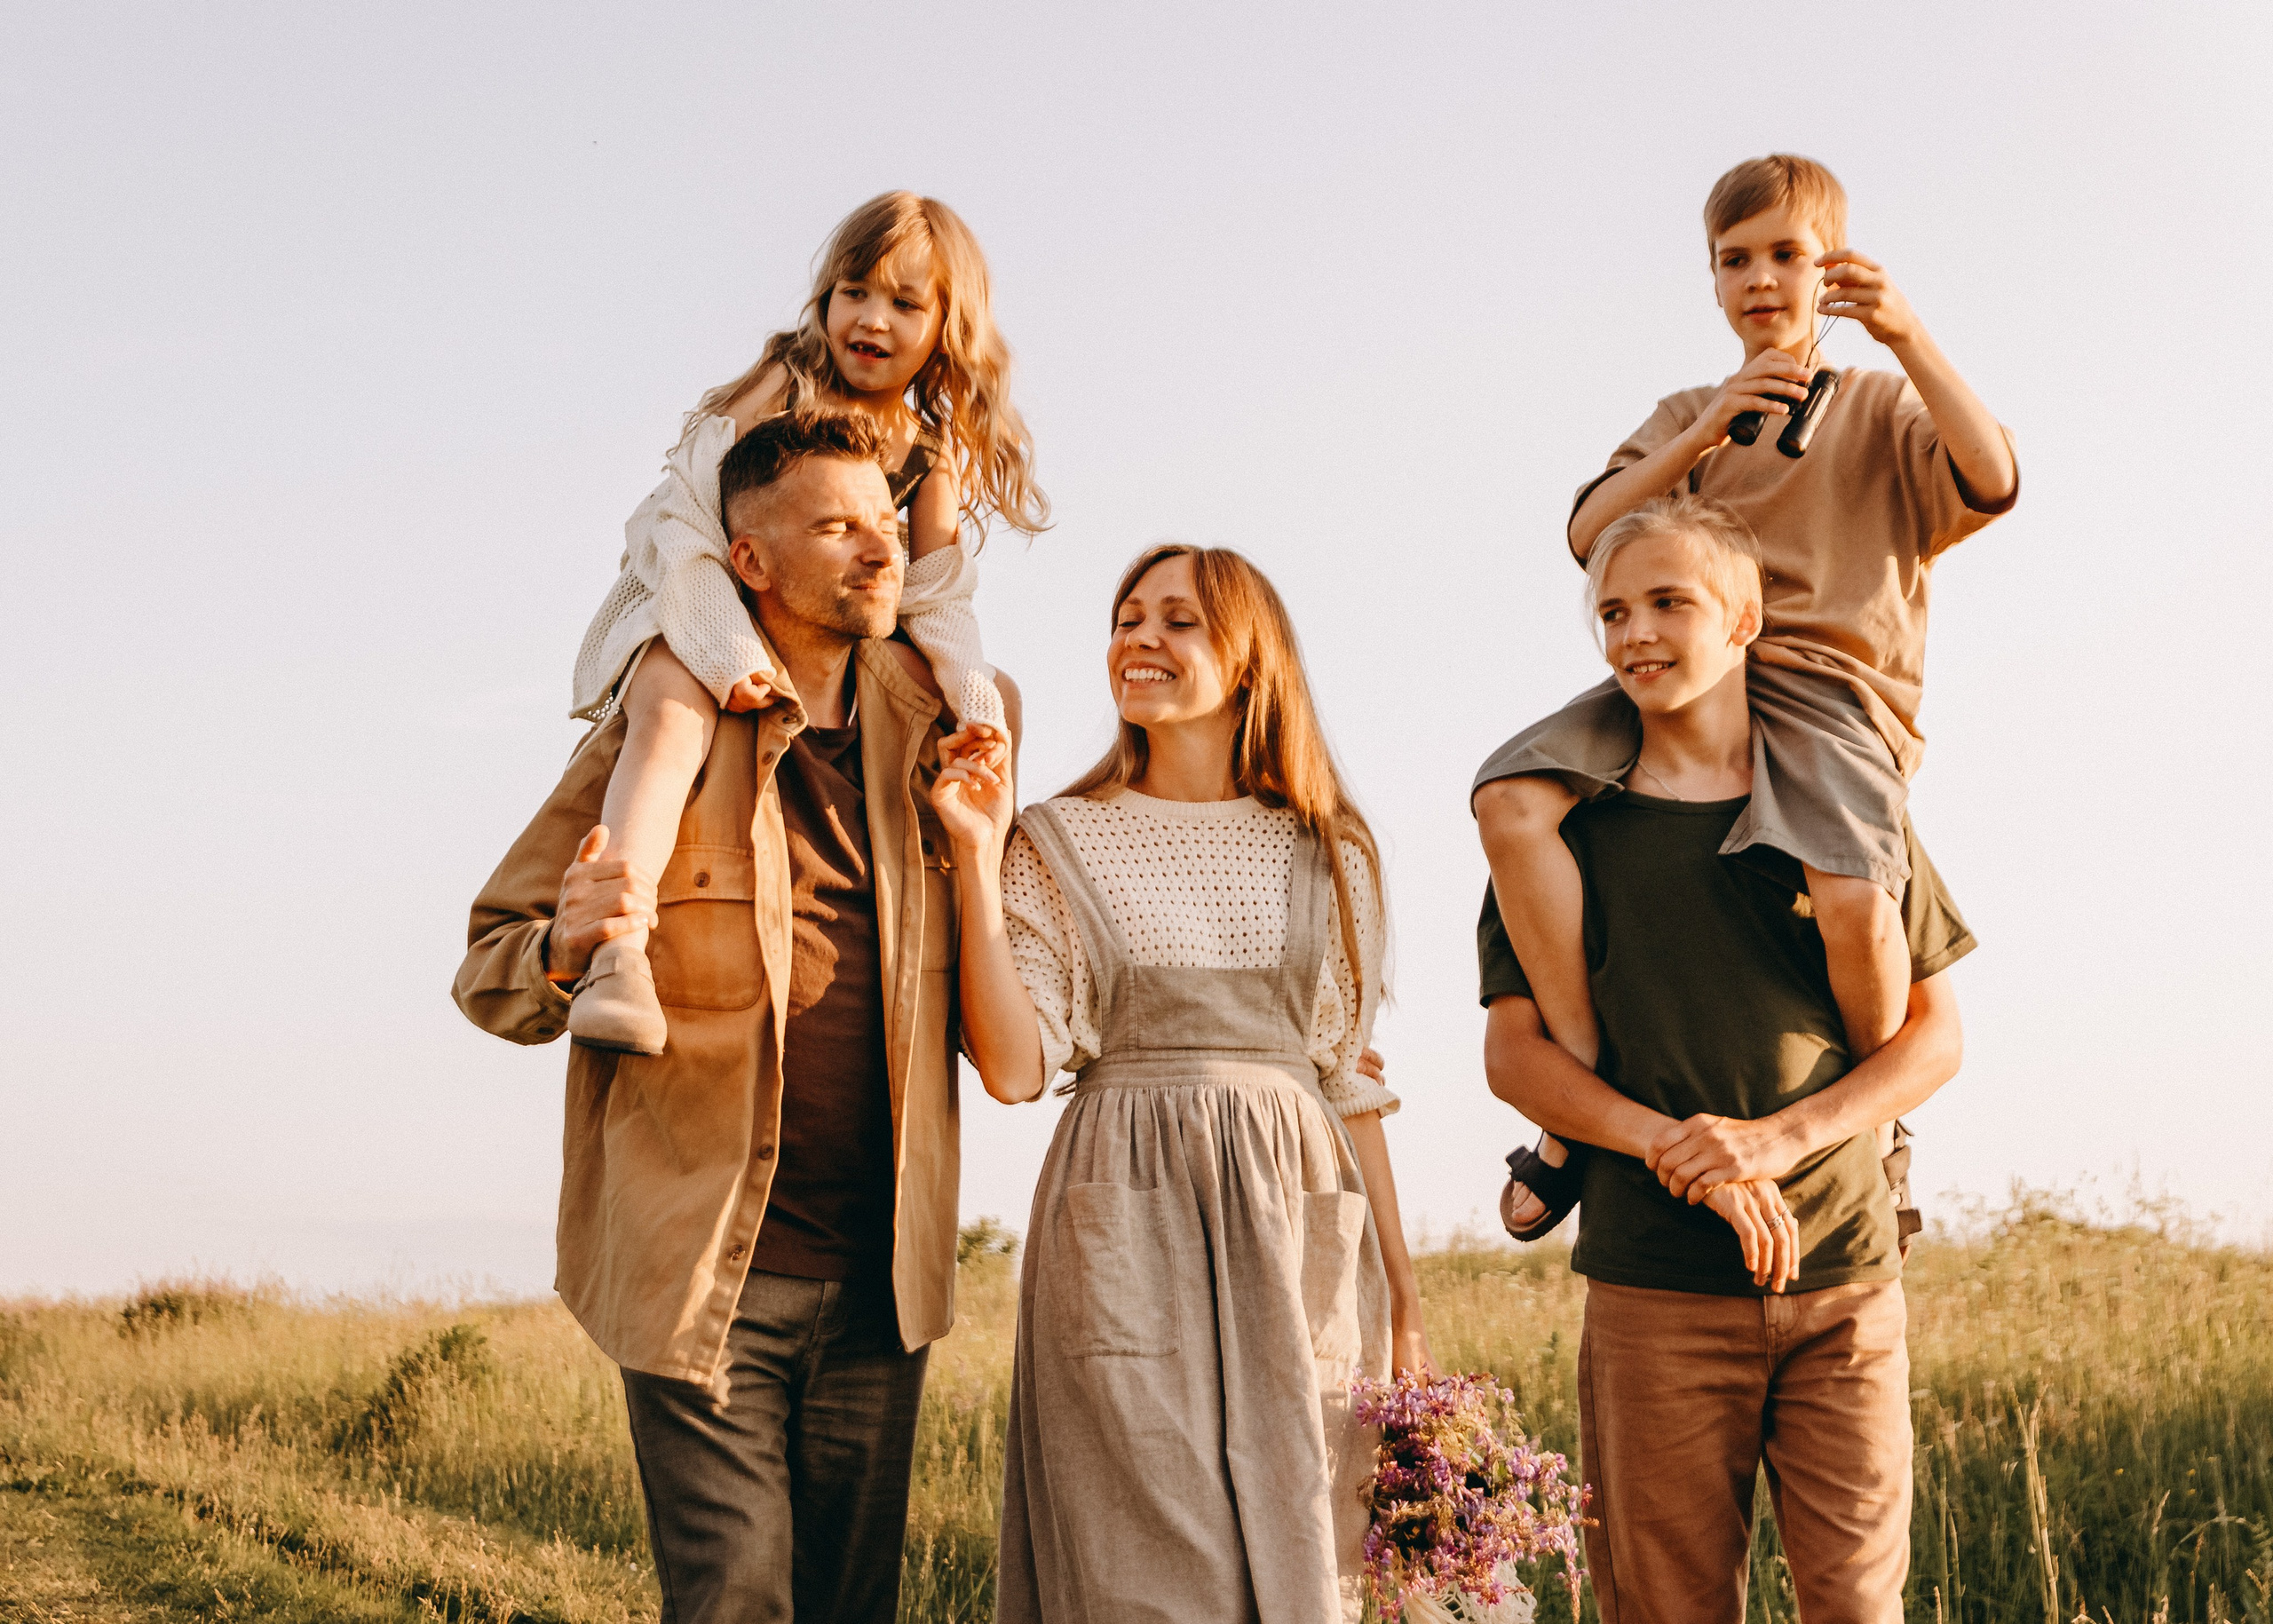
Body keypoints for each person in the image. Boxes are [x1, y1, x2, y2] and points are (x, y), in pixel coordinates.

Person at [453, 411, 1012, 1624]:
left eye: (884, 522)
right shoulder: (660, 734)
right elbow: (489, 964)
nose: (879, 548)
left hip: (883, 1287)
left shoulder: (944, 742)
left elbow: (1003, 1007)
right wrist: (565, 946)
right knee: (736, 1598)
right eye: (835, 526)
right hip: (703, 1271)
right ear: (746, 560)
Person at [1477, 154, 2016, 1240]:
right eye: (1734, 260)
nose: (1759, 278)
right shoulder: (1691, 412)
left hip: (1825, 688)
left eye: (1785, 255)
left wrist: (1907, 335)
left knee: (1853, 895)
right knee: (1510, 794)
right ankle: (1578, 1090)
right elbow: (1588, 534)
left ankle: (1872, 1123)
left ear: (1833, 270)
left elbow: (1992, 477)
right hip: (1684, 674)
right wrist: (1703, 434)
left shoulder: (1879, 405)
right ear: (1713, 279)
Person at [1478, 495, 1973, 1624]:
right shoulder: (1567, 829)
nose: (1634, 632)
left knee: (1858, 1608)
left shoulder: (1847, 809)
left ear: (1744, 619)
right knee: (1666, 1608)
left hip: (1845, 1279)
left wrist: (1774, 1139)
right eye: (1612, 611)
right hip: (1653, 1286)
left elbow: (1933, 1034)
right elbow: (1515, 1055)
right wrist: (1676, 1147)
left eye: (1668, 601)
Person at [929, 543, 1430, 1622]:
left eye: (1176, 620)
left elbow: (1347, 1083)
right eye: (1126, 618)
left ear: (1248, 660)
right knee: (1142, 1569)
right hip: (1125, 1217)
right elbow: (1012, 1066)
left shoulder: (1331, 846)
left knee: (1310, 1554)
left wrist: (1405, 1302)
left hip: (1297, 1222)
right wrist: (973, 853)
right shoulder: (1054, 837)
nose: (1139, 639)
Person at [565, 190, 1049, 1056]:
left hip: (826, 636)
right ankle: (618, 947)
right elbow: (685, 521)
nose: (872, 318)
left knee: (994, 706)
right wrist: (722, 645)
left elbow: (936, 599)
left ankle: (973, 951)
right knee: (674, 709)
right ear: (825, 297)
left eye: (905, 303)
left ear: (947, 328)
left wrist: (974, 701)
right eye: (854, 291)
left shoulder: (924, 453)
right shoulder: (785, 382)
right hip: (698, 595)